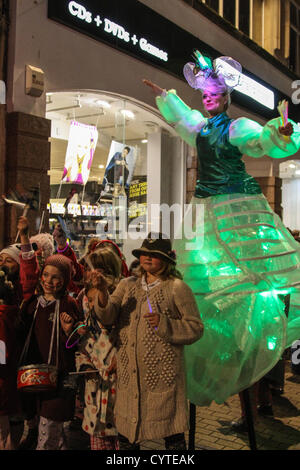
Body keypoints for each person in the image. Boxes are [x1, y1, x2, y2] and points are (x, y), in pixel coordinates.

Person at [143, 50, 300, 407]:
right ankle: (219, 339)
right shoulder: (199, 125)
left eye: (215, 95)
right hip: (206, 204)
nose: (209, 100)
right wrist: (165, 96)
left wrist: (282, 132)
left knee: (249, 271)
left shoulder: (236, 127)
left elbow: (261, 141)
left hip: (236, 204)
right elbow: (184, 117)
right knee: (205, 271)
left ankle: (259, 348)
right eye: (205, 95)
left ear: (226, 98)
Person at [90, 233, 204, 450]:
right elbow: (108, 316)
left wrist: (165, 324)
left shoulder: (177, 288)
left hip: (163, 379)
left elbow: (195, 327)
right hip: (128, 378)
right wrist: (102, 291)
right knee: (126, 437)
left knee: (172, 436)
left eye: (155, 255)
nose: (148, 258)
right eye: (144, 254)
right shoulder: (127, 285)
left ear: (167, 260)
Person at [18, 254, 82, 450]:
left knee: (49, 429)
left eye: (56, 277)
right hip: (34, 375)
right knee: (56, 432)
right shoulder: (33, 303)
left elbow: (74, 345)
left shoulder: (68, 304)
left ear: (64, 281)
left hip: (58, 377)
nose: (49, 281)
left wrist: (68, 331)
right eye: (45, 275)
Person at [75, 247, 122, 450]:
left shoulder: (121, 294)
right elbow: (86, 334)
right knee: (98, 435)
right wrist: (77, 330)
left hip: (117, 374)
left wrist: (122, 358)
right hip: (95, 374)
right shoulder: (84, 296)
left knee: (121, 433)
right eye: (90, 268)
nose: (93, 273)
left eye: (100, 268)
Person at [0, 267, 20, 450]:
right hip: (5, 384)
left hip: (2, 384)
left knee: (2, 435)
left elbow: (1, 355)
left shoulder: (0, 317)